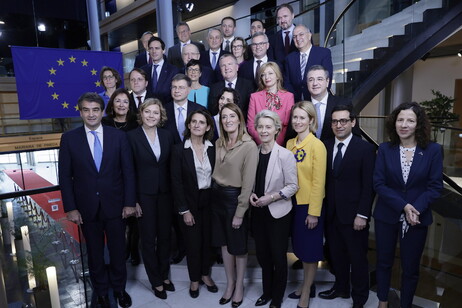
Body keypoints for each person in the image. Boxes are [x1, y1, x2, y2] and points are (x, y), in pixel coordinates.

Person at [59, 92, 135, 308]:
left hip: (116, 206)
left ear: (102, 112)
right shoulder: (69, 139)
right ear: (80, 112)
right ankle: (101, 292)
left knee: (118, 251)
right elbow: (64, 176)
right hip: (86, 208)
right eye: (86, 110)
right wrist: (71, 208)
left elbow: (128, 172)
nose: (91, 114)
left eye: (95, 110)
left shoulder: (118, 137)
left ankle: (119, 289)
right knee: (94, 253)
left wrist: (129, 202)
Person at [373, 102, 443, 308]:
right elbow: (378, 183)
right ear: (394, 123)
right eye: (400, 120)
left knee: (410, 267)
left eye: (410, 120)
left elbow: (435, 186)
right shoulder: (385, 149)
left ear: (418, 124)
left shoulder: (433, 150)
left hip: (417, 218)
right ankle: (383, 301)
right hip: (387, 215)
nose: (404, 125)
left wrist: (415, 208)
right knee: (384, 262)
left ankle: (406, 304)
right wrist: (404, 206)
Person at [319, 105, 376, 308]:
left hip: (354, 216)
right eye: (334, 121)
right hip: (331, 214)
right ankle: (341, 287)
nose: (338, 125)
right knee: (336, 254)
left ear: (353, 122)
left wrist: (362, 214)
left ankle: (360, 298)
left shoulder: (366, 149)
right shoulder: (324, 146)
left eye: (343, 121)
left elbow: (369, 186)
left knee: (357, 258)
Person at [126, 98, 175, 300]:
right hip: (143, 196)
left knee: (165, 237)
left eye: (155, 112)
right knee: (148, 239)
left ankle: (164, 275)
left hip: (165, 194)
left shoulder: (167, 135)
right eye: (148, 112)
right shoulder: (130, 137)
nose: (151, 116)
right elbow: (128, 172)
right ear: (141, 114)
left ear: (160, 115)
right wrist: (133, 200)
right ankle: (155, 281)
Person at [250, 110, 298, 308]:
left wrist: (270, 198)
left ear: (277, 129)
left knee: (278, 256)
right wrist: (251, 194)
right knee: (263, 256)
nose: (264, 130)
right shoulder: (253, 152)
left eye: (268, 127)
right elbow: (250, 182)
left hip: (278, 213)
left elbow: (293, 186)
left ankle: (277, 298)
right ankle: (266, 292)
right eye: (260, 126)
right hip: (257, 212)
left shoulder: (285, 155)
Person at [211, 103, 258, 307]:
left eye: (232, 116)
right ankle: (229, 284)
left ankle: (239, 286)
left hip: (234, 199)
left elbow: (248, 185)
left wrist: (240, 212)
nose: (228, 120)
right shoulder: (219, 142)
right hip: (216, 197)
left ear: (239, 119)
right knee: (224, 243)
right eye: (224, 117)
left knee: (238, 247)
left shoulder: (249, 145)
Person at [171, 110, 218, 299]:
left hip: (210, 201)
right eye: (194, 122)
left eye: (202, 122)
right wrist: (184, 210)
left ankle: (205, 274)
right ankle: (194, 279)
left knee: (207, 241)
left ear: (207, 127)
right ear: (189, 125)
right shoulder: (178, 150)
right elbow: (176, 182)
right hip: (190, 202)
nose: (197, 125)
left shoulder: (213, 148)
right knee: (192, 243)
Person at [286, 101, 327, 308]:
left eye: (303, 117)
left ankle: (306, 292)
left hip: (308, 206)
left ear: (311, 120)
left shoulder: (317, 145)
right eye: (295, 117)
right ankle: (304, 286)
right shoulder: (290, 144)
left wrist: (314, 213)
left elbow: (319, 182)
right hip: (291, 205)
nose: (298, 121)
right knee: (300, 250)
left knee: (310, 253)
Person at [247, 62, 294, 145]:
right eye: (263, 75)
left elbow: (287, 125)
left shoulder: (288, 96)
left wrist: (276, 144)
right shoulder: (254, 97)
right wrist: (263, 142)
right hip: (260, 144)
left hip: (281, 144)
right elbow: (251, 125)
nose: (267, 77)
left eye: (270, 73)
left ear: (277, 76)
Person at [283, 25, 333, 102]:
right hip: (297, 103)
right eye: (294, 36)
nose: (298, 38)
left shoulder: (323, 53)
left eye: (301, 34)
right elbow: (287, 83)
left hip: (318, 100)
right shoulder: (289, 58)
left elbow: (327, 78)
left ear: (309, 36)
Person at [164, 73, 206, 144]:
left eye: (181, 87)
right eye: (174, 87)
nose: (177, 91)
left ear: (189, 90)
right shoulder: (163, 110)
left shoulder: (200, 109)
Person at [208, 54, 253, 118]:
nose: (226, 68)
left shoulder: (249, 85)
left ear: (237, 67)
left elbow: (250, 111)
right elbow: (212, 111)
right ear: (220, 70)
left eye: (230, 64)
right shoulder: (214, 88)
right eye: (223, 65)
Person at [142, 36, 179, 105]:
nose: (154, 51)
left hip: (167, 110)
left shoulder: (173, 70)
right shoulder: (143, 70)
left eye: (157, 48)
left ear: (163, 50)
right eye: (151, 48)